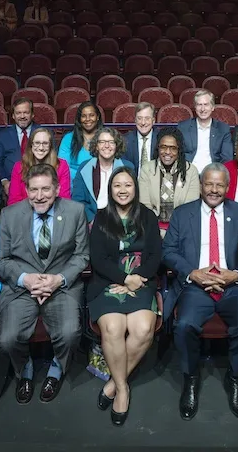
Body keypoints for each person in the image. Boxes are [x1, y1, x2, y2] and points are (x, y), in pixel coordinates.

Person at [162, 163, 238, 421]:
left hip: (231, 286)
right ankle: (191, 377)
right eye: (209, 184)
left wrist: (235, 275)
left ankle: (235, 377)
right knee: (184, 325)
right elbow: (168, 251)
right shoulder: (183, 214)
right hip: (196, 287)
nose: (214, 190)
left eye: (219, 185)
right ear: (200, 185)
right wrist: (193, 273)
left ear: (227, 187)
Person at [0, 163, 90, 404]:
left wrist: (59, 279)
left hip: (60, 286)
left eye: (46, 189)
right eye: (34, 189)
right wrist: (25, 279)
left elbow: (82, 256)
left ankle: (57, 368)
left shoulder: (75, 211)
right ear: (26, 190)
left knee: (70, 334)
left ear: (57, 189)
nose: (39, 196)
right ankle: (24, 369)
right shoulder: (9, 215)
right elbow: (2, 261)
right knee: (7, 339)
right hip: (22, 288)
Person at [88, 170, 162, 426]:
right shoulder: (101, 218)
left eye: (127, 185)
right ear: (110, 190)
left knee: (142, 329)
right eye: (117, 185)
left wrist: (136, 279)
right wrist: (123, 279)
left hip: (142, 280)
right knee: (113, 328)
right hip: (108, 282)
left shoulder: (148, 216)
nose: (122, 190)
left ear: (135, 188)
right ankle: (122, 389)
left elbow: (155, 255)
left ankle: (112, 383)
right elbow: (98, 259)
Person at [137, 128, 200, 227]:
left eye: (173, 148)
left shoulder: (191, 171)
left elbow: (190, 208)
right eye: (163, 147)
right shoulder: (147, 169)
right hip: (152, 226)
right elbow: (144, 206)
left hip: (182, 226)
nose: (167, 152)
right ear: (158, 148)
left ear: (179, 150)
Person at [73, 128, 137, 222]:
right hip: (92, 219)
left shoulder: (127, 167)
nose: (107, 146)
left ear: (117, 146)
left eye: (111, 142)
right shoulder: (84, 167)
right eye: (102, 142)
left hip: (120, 218)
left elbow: (133, 198)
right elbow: (77, 200)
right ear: (96, 146)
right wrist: (92, 220)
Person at [9, 127, 72, 204]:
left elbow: (64, 199)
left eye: (45, 143)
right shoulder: (19, 167)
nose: (41, 148)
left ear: (50, 146)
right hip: (25, 210)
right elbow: (14, 201)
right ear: (31, 145)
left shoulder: (61, 165)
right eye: (37, 143)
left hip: (54, 210)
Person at [177, 90, 232, 170]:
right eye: (199, 105)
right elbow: (178, 153)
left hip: (213, 172)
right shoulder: (183, 127)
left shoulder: (223, 128)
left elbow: (227, 157)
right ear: (195, 107)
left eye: (206, 104)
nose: (202, 109)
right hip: (188, 171)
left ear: (212, 107)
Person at [0, 97, 38, 185]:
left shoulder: (44, 133)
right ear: (13, 116)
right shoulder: (3, 135)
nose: (22, 116)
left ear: (32, 114)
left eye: (26, 112)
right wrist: (4, 181)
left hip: (38, 181)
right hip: (10, 182)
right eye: (18, 113)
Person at [58, 100, 102, 180]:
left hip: (100, 180)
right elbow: (63, 167)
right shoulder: (68, 139)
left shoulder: (106, 138)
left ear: (97, 117)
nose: (87, 119)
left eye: (91, 115)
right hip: (72, 182)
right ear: (79, 119)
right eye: (83, 116)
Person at [123, 102, 160, 170]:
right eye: (139, 118)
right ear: (135, 120)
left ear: (153, 121)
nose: (143, 122)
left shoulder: (161, 138)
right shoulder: (125, 140)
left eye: (147, 118)